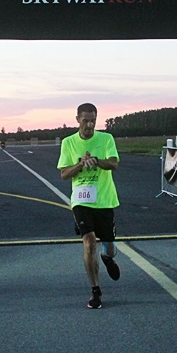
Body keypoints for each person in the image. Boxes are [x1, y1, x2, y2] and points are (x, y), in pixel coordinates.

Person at [57, 102, 121, 310]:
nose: (90, 124)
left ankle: (106, 257)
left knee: (109, 247)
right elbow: (64, 174)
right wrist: (80, 164)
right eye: (85, 120)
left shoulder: (106, 139)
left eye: (93, 120)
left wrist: (96, 161)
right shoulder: (68, 142)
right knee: (89, 242)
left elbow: (114, 164)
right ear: (77, 120)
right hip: (81, 200)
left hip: (104, 199)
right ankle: (96, 291)